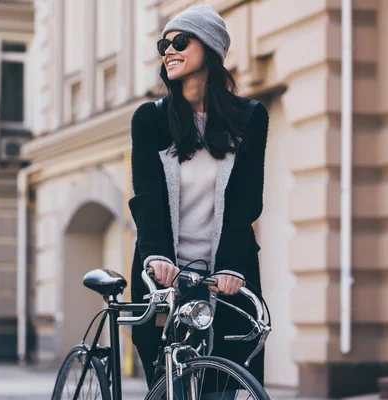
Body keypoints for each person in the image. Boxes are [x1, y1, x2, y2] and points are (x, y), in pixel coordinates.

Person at [128, 4, 269, 391]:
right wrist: (156, 257)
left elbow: (245, 201)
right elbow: (147, 196)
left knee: (222, 387)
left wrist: (229, 266)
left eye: (179, 41)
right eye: (163, 44)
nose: (168, 50)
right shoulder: (150, 119)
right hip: (164, 275)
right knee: (169, 382)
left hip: (226, 275)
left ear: (209, 47)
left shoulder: (250, 117)